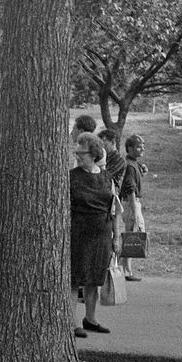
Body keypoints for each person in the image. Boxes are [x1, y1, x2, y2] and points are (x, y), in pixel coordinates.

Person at [69, 132, 121, 338]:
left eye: (81, 152)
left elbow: (116, 210)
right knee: (75, 278)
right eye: (77, 152)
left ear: (94, 153)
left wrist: (117, 238)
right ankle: (72, 323)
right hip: (78, 235)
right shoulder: (71, 177)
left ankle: (90, 319)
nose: (78, 156)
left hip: (102, 236)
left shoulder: (107, 178)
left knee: (94, 279)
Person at [119, 134, 147, 282]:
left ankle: (124, 269)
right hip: (131, 203)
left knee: (132, 236)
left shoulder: (133, 163)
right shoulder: (130, 166)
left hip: (133, 203)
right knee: (131, 237)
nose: (142, 148)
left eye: (143, 145)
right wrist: (135, 210)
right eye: (138, 146)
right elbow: (130, 188)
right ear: (129, 148)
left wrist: (141, 168)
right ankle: (123, 271)